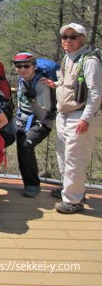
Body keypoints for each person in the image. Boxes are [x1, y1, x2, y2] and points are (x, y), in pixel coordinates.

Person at [44, 23, 102, 214]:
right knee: (63, 155)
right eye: (65, 36)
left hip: (80, 115)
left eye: (73, 37)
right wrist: (55, 85)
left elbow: (95, 93)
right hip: (65, 114)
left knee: (74, 158)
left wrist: (85, 119)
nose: (67, 40)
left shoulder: (90, 61)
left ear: (82, 39)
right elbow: (67, 82)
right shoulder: (68, 58)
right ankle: (70, 189)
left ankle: (73, 200)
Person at [12, 53, 55, 198]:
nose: (22, 69)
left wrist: (33, 99)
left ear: (34, 66)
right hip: (22, 120)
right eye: (18, 66)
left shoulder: (41, 84)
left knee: (26, 144)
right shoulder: (22, 80)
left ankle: (32, 184)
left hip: (40, 122)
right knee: (18, 147)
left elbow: (43, 114)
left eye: (26, 66)